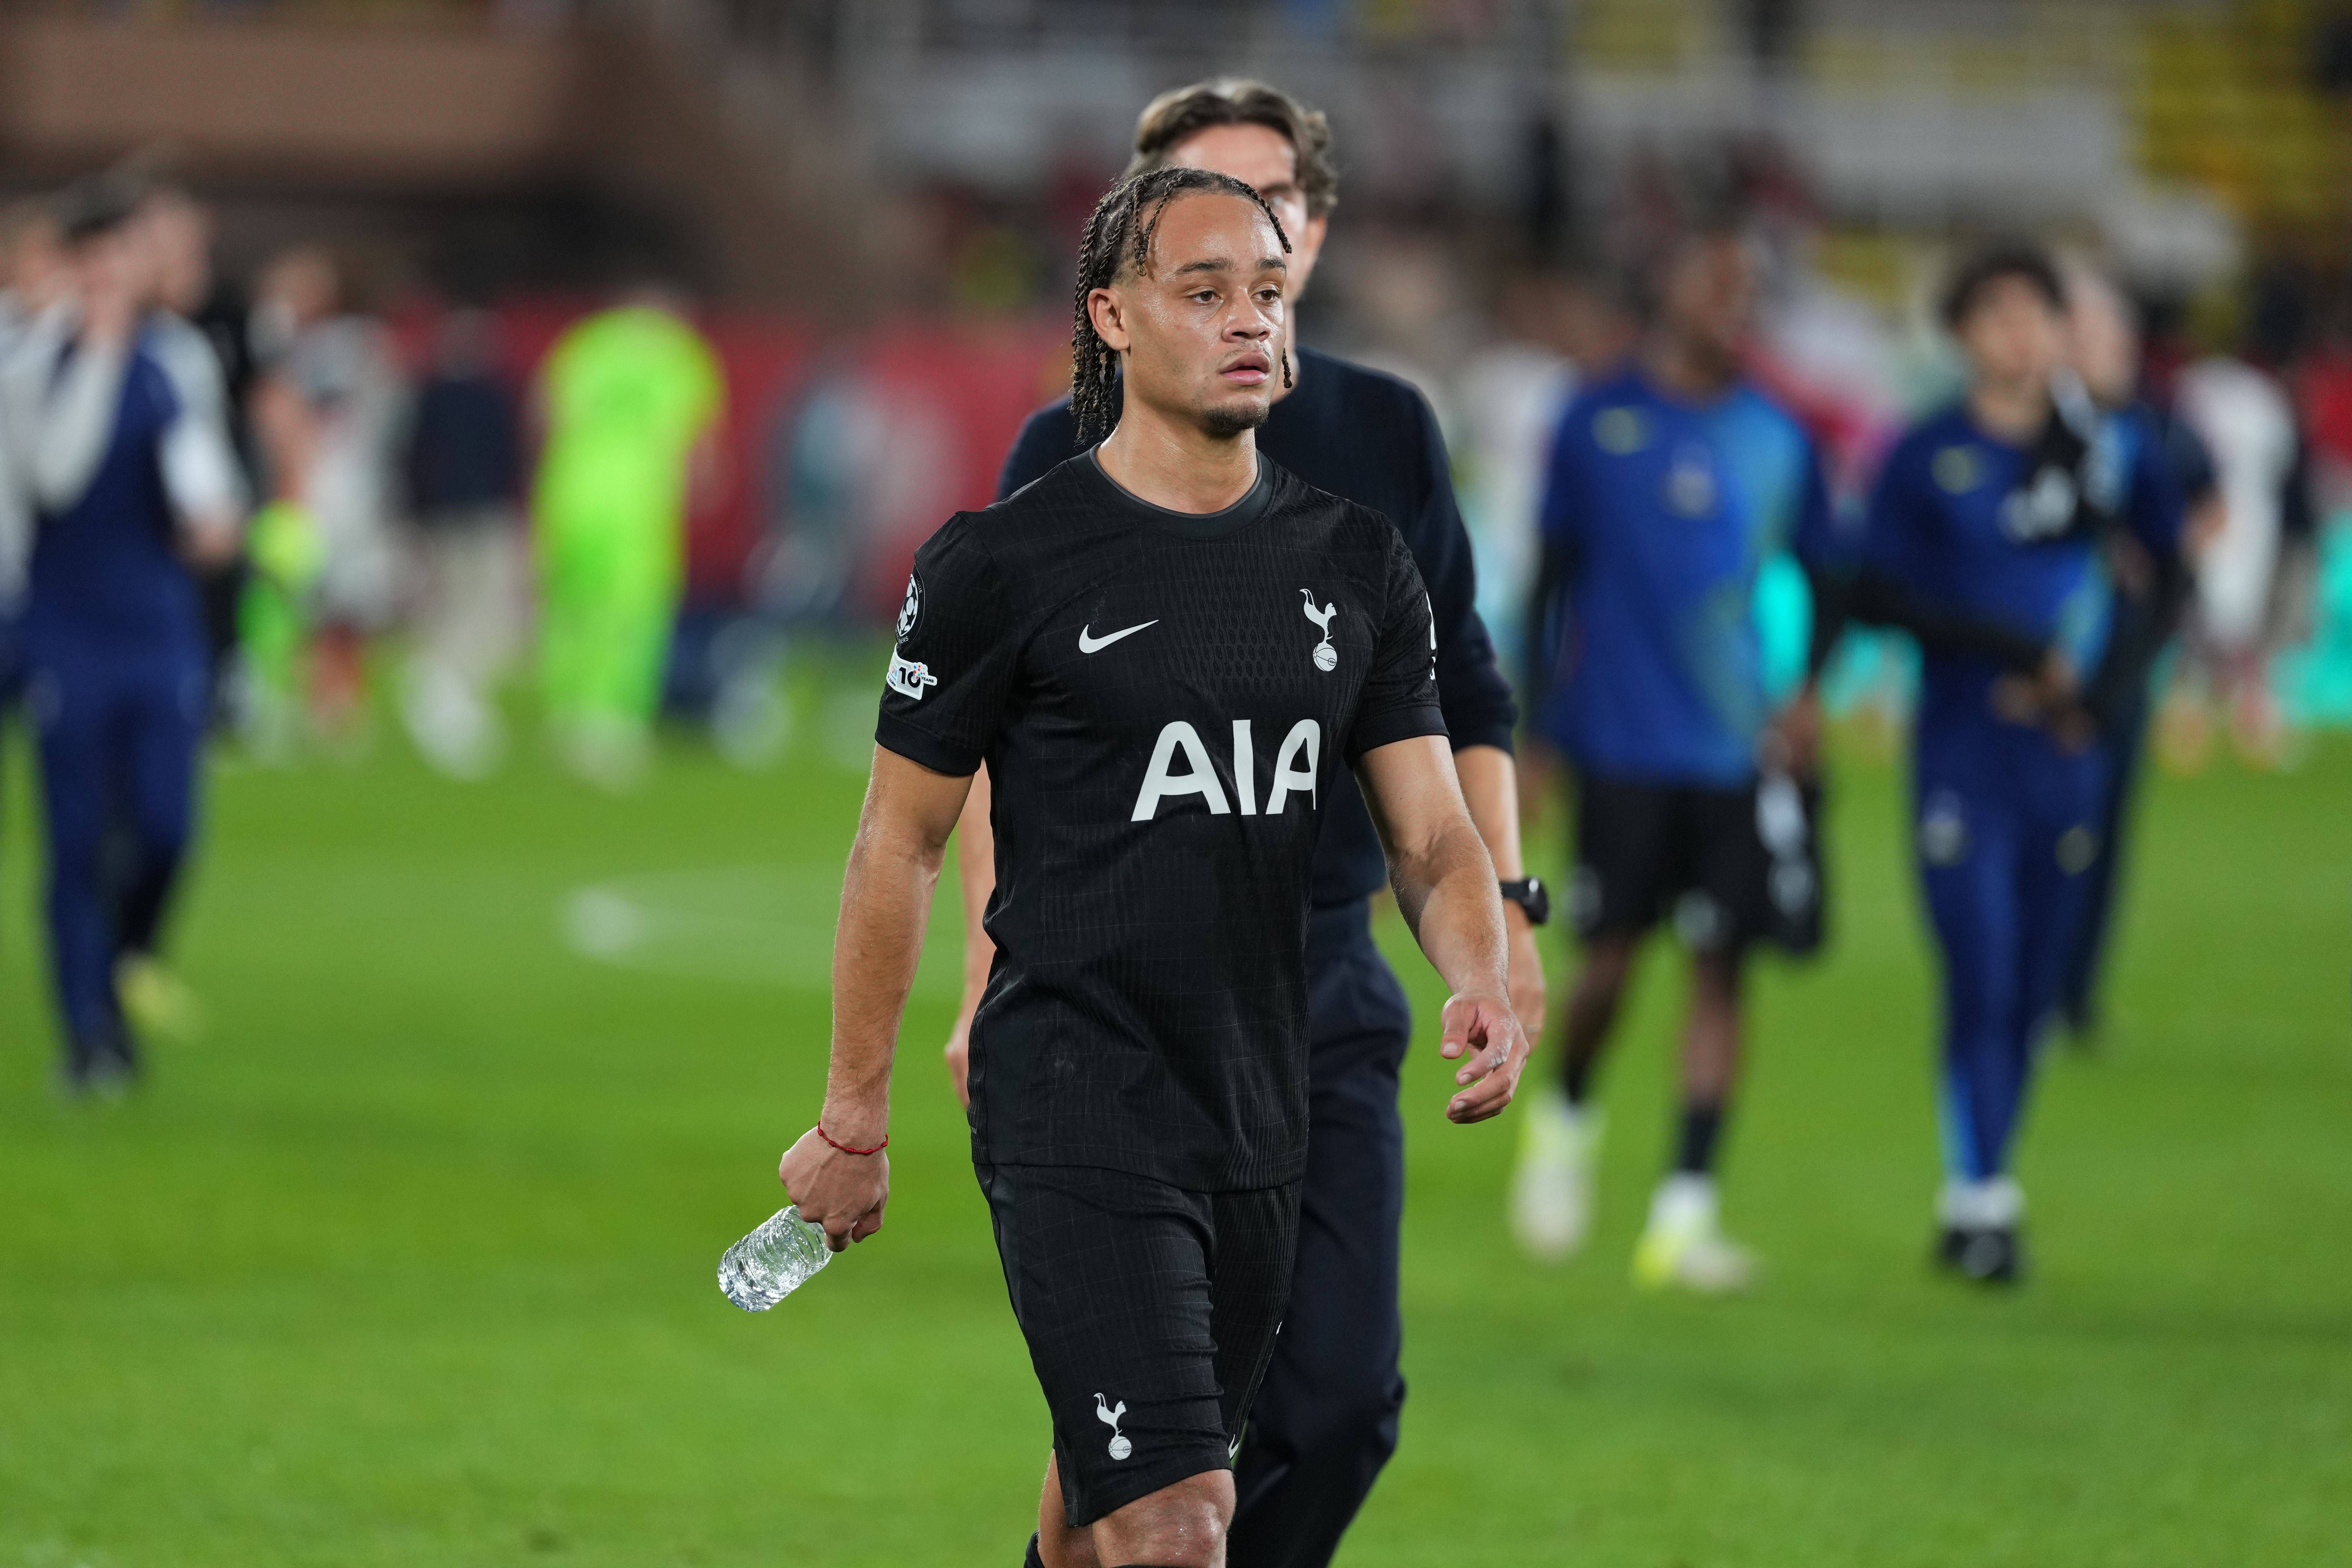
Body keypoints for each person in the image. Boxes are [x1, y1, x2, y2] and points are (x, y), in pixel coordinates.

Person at [780, 166, 1527, 1568]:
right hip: (1073, 1099)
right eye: (1205, 292)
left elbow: (1431, 835)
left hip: (1258, 1108)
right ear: (1112, 316)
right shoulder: (1001, 564)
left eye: (1267, 292)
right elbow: (901, 838)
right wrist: (853, 1116)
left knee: (1094, 1519)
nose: (1250, 321)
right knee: (1182, 1525)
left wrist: (1478, 969)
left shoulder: (1356, 562)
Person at [977, 79, 1540, 1568]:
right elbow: (981, 756)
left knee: (1335, 1407)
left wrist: (1504, 918)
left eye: (1267, 202)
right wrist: (982, 973)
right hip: (1107, 992)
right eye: (1192, 201)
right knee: (1156, 1447)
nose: (1237, 233)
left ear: (1313, 229)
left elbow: (1464, 699)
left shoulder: (1384, 435)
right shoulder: (1057, 454)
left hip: (1318, 984)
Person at [1508, 221, 1841, 1293]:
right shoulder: (1594, 418)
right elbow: (1549, 582)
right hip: (1618, 742)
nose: (1733, 307)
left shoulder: (1778, 437)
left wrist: (1805, 692)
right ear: (1667, 290)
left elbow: (1829, 576)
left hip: (1735, 752)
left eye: (1747, 290)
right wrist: (1534, 733)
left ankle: (1684, 1214)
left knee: (1720, 969)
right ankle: (1565, 1119)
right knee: (1607, 965)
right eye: (1715, 285)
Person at [1852, 241, 2183, 1283]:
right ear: (1960, 336)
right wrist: (2007, 652)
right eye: (1994, 316)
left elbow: (2165, 575)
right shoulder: (1923, 454)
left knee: (2035, 980)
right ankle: (1982, 1194)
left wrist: (2097, 698)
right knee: (1979, 962)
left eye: (2035, 315)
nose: (2018, 335)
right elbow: (1875, 592)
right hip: (1962, 746)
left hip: (2064, 752)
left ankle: (1979, 1182)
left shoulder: (2107, 451)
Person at [5, 176, 242, 1090]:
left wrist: (216, 517)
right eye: (95, 269)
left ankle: (127, 957)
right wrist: (99, 355)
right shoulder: (32, 363)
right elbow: (56, 477)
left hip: (157, 622)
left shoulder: (176, 358)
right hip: (66, 625)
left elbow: (200, 466)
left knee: (165, 826)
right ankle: (87, 1035)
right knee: (76, 837)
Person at [2055, 264, 2209, 1039]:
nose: (2101, 350)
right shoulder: (2031, 432)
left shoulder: (2151, 433)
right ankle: (2024, 983)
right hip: (2034, 670)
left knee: (2102, 836)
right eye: (2085, 334)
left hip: (2119, 665)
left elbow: (2190, 532)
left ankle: (2074, 994)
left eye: (2109, 336)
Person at [531, 282, 723, 788]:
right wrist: (700, 485)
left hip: (570, 492)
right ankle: (611, 718)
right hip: (638, 501)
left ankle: (566, 712)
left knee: (570, 608)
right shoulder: (678, 354)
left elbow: (544, 414)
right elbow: (700, 441)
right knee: (632, 612)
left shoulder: (587, 343)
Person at [399, 307, 526, 779]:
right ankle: (445, 686)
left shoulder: (440, 391)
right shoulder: (475, 393)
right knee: (474, 605)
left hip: (461, 510)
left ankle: (449, 684)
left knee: (474, 606)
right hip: (470, 511)